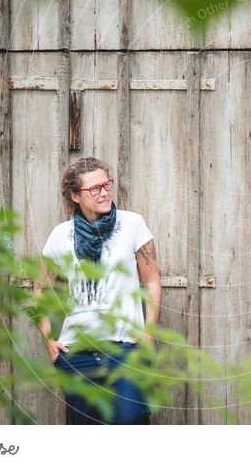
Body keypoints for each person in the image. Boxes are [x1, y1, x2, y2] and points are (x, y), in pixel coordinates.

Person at [37, 156, 162, 424]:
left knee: (132, 420)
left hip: (126, 348)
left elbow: (151, 280)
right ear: (74, 195)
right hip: (77, 354)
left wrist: (149, 332)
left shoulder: (132, 224)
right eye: (94, 189)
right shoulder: (62, 235)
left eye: (106, 184)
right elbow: (40, 287)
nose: (104, 192)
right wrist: (48, 339)